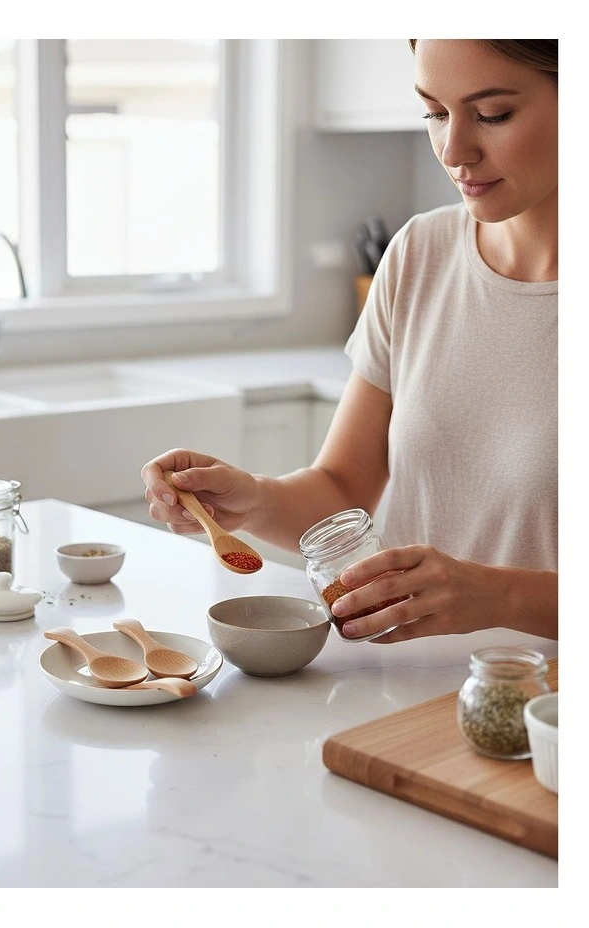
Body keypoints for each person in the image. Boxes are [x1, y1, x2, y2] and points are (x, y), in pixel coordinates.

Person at [141, 40, 558, 644]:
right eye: (435, 113)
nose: (453, 150)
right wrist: (251, 503)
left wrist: (500, 596)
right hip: (406, 694)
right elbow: (342, 487)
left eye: (492, 114)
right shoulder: (420, 255)